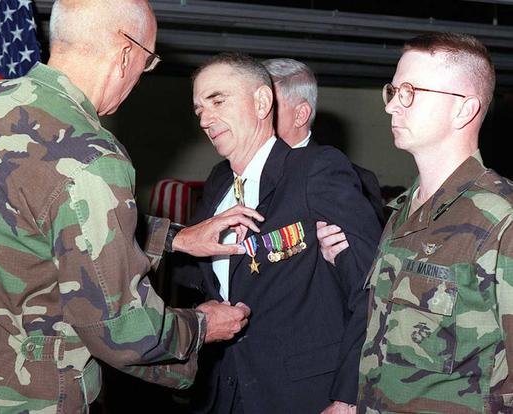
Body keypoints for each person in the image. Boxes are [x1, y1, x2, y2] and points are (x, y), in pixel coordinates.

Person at [0, 1, 260, 412]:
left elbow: (26, 222)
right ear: (126, 53)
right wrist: (203, 326)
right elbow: (122, 330)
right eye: (148, 61)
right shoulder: (90, 156)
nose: (141, 76)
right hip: (21, 398)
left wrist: (176, 238)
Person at [317, 32, 513, 412]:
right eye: (393, 91)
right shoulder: (402, 213)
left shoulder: (502, 220)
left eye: (411, 92)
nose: (392, 107)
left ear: (464, 109)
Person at [179, 52, 381, 414]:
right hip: (223, 390)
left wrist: (348, 395)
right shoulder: (217, 183)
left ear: (261, 102)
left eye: (217, 101)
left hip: (299, 395)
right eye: (197, 111)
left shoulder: (315, 170)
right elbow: (195, 278)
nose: (205, 119)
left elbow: (370, 289)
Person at [261, 58, 385, 227]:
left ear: (300, 115)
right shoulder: (226, 176)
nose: (254, 115)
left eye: (267, 106)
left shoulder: (358, 183)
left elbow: (364, 251)